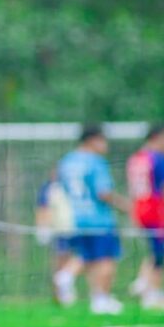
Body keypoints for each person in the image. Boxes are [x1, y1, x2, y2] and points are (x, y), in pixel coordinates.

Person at [55, 125, 131, 315]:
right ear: (93, 140)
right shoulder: (96, 162)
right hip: (100, 219)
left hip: (79, 218)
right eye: (103, 140)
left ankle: (96, 298)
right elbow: (103, 192)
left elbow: (63, 187)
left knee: (89, 259)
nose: (106, 145)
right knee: (106, 260)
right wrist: (125, 205)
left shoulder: (67, 161)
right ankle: (101, 297)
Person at [126, 123, 164, 310]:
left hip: (142, 210)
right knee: (161, 252)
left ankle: (143, 282)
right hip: (158, 211)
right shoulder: (158, 159)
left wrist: (134, 212)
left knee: (157, 250)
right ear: (158, 137)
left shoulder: (137, 158)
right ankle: (153, 292)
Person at [34, 169, 83, 306]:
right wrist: (42, 227)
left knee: (82, 257)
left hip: (76, 226)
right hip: (62, 228)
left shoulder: (72, 185)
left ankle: (66, 284)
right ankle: (60, 296)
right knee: (62, 260)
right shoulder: (49, 187)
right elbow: (43, 208)